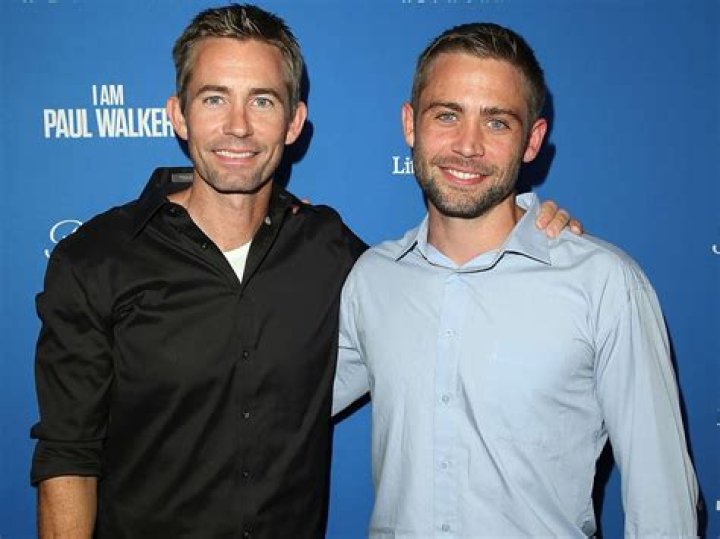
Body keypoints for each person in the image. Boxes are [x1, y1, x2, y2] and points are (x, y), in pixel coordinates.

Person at [30, 5, 577, 538]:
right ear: (178, 114)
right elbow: (68, 454)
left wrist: (525, 225)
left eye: (262, 101)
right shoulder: (98, 258)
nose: (238, 126)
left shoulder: (328, 248)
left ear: (293, 122)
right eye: (215, 98)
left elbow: (437, 280)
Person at [333, 22, 698, 538]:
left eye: (497, 123)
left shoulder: (603, 284)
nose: (468, 145)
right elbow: (272, 404)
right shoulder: (373, 279)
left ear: (532, 141)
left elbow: (663, 506)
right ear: (410, 125)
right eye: (447, 115)